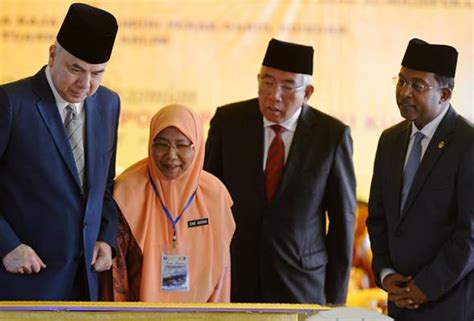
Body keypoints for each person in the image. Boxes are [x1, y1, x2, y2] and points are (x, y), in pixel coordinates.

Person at [204, 38, 356, 304]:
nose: (274, 95)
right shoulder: (229, 122)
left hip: (301, 280)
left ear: (307, 93)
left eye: (287, 86)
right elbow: (206, 198)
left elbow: (343, 221)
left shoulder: (331, 136)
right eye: (267, 82)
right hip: (235, 274)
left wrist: (336, 301)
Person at [0, 3, 120, 300]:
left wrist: (106, 237)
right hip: (23, 281)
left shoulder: (108, 104)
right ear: (53, 54)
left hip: (85, 283)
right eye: (75, 69)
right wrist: (6, 246)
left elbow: (103, 186)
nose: (85, 84)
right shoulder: (12, 103)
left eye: (97, 74)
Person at [366, 38, 474, 321]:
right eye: (401, 82)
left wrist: (424, 286)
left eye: (417, 85)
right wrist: (387, 274)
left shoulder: (468, 143)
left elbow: (469, 234)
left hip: (449, 304)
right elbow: (378, 218)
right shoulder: (390, 140)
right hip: (399, 303)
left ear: (445, 94)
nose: (404, 92)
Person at [102, 104, 235, 302]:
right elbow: (116, 278)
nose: (171, 156)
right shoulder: (126, 190)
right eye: (161, 144)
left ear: (197, 146)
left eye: (181, 145)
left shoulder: (215, 195)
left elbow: (221, 273)